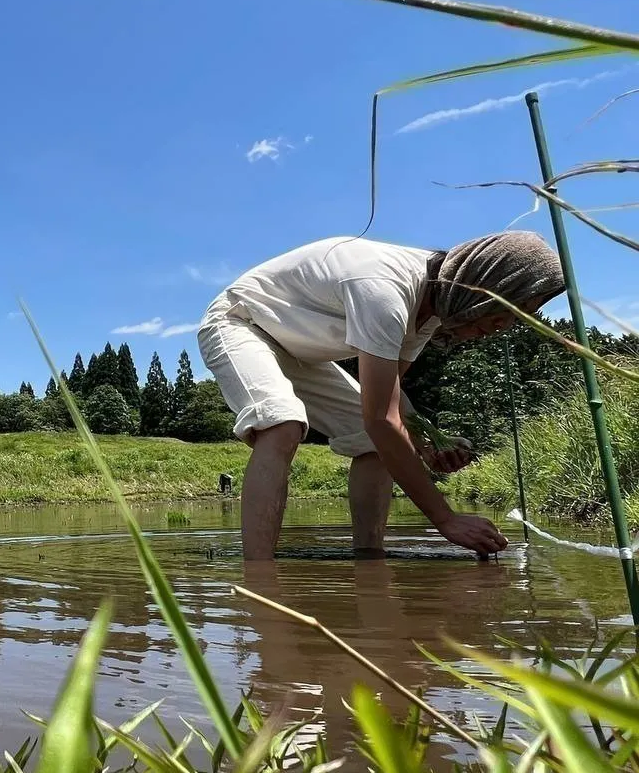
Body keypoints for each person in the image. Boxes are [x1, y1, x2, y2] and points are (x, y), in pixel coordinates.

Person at [197, 232, 565, 560]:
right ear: (484, 282)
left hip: (296, 349)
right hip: (240, 321)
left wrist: (428, 442)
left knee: (371, 443)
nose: (505, 326)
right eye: (509, 309)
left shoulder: (429, 311)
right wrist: (445, 518)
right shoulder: (385, 289)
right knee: (282, 422)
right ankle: (260, 577)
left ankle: (369, 558)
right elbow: (382, 420)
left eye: (522, 316)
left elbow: (390, 399)